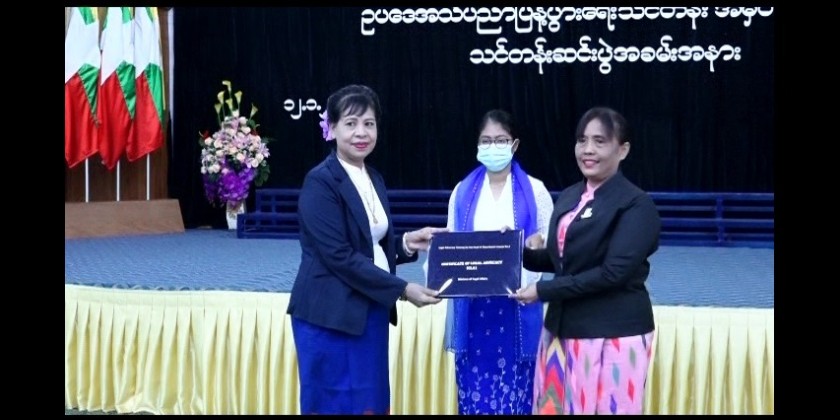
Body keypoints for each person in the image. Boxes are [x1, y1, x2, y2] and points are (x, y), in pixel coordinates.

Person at [287, 84, 446, 415]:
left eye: (369, 124)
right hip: (330, 318)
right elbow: (339, 256)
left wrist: (406, 243)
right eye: (351, 123)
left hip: (368, 311)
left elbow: (368, 244)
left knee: (369, 402)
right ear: (331, 129)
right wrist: (402, 289)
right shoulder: (320, 182)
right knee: (333, 405)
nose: (361, 133)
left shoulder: (372, 177)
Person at [511, 106, 661, 415]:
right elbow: (562, 260)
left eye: (599, 141)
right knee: (553, 408)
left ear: (623, 150)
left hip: (614, 335)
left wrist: (542, 291)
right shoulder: (570, 196)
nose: (588, 150)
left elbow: (612, 274)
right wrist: (514, 251)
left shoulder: (636, 205)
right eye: (582, 140)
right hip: (560, 330)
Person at [429, 109, 554, 414]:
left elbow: (550, 246)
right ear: (477, 145)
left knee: (516, 393)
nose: (493, 147)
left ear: (515, 144)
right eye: (486, 141)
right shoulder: (461, 192)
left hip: (518, 305)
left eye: (501, 140)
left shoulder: (536, 191)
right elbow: (451, 245)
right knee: (476, 393)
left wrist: (534, 244)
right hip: (474, 309)